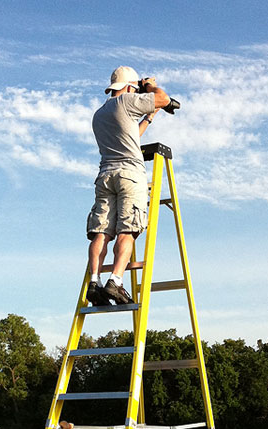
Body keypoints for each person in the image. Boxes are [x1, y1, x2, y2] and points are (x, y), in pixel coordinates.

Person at [85, 66, 172, 306]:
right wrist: (148, 87)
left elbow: (131, 135)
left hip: (105, 175)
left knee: (101, 231)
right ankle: (116, 280)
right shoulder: (126, 100)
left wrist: (149, 117)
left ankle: (95, 282)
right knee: (128, 229)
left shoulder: (100, 113)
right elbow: (162, 98)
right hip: (130, 175)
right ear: (129, 87)